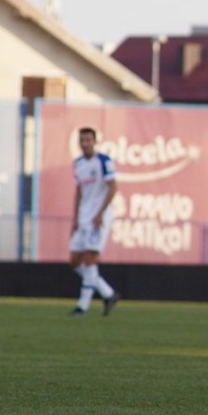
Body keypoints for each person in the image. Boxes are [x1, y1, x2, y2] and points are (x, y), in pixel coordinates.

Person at [68, 127, 121, 316]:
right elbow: (79, 192)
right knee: (74, 261)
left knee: (90, 259)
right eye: (82, 140)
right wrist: (75, 218)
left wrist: (100, 213)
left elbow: (113, 188)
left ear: (95, 142)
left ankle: (82, 306)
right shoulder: (78, 164)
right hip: (83, 217)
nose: (85, 144)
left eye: (88, 140)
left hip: (98, 218)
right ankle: (108, 293)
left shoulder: (104, 161)